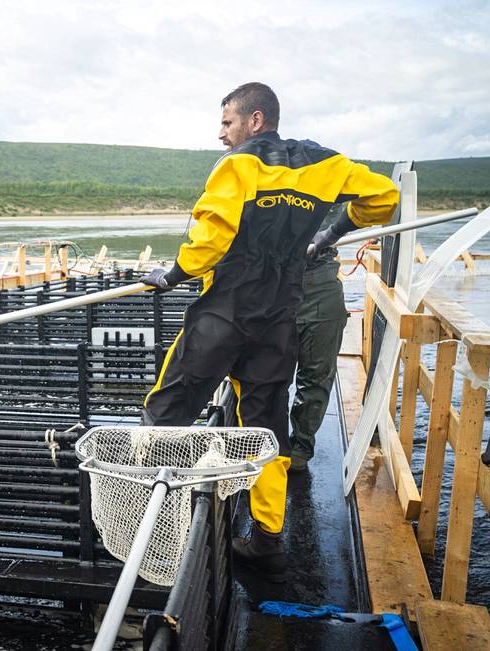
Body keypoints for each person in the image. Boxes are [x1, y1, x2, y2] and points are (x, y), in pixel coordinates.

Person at [140, 82, 398, 580]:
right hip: (279, 317)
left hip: (226, 312)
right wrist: (332, 230)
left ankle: (154, 533)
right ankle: (267, 543)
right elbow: (383, 199)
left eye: (227, 123)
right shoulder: (328, 165)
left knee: (168, 408)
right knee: (264, 429)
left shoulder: (238, 165)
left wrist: (170, 275)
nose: (221, 134)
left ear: (255, 121)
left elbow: (211, 236)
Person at [288, 203, 351, 472]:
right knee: (267, 376)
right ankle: (271, 445)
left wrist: (332, 232)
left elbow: (379, 200)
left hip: (320, 284)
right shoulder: (257, 176)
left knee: (316, 376)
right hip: (270, 283)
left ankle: (300, 448)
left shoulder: (330, 177)